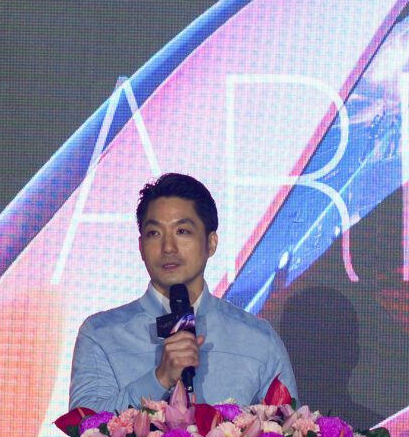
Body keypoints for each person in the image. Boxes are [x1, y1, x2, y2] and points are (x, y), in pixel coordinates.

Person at [68, 173, 297, 411]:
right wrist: (159, 378)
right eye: (154, 233)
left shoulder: (258, 338)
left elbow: (289, 428)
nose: (168, 247)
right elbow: (84, 426)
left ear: (211, 243)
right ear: (141, 247)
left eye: (182, 231)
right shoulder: (101, 334)